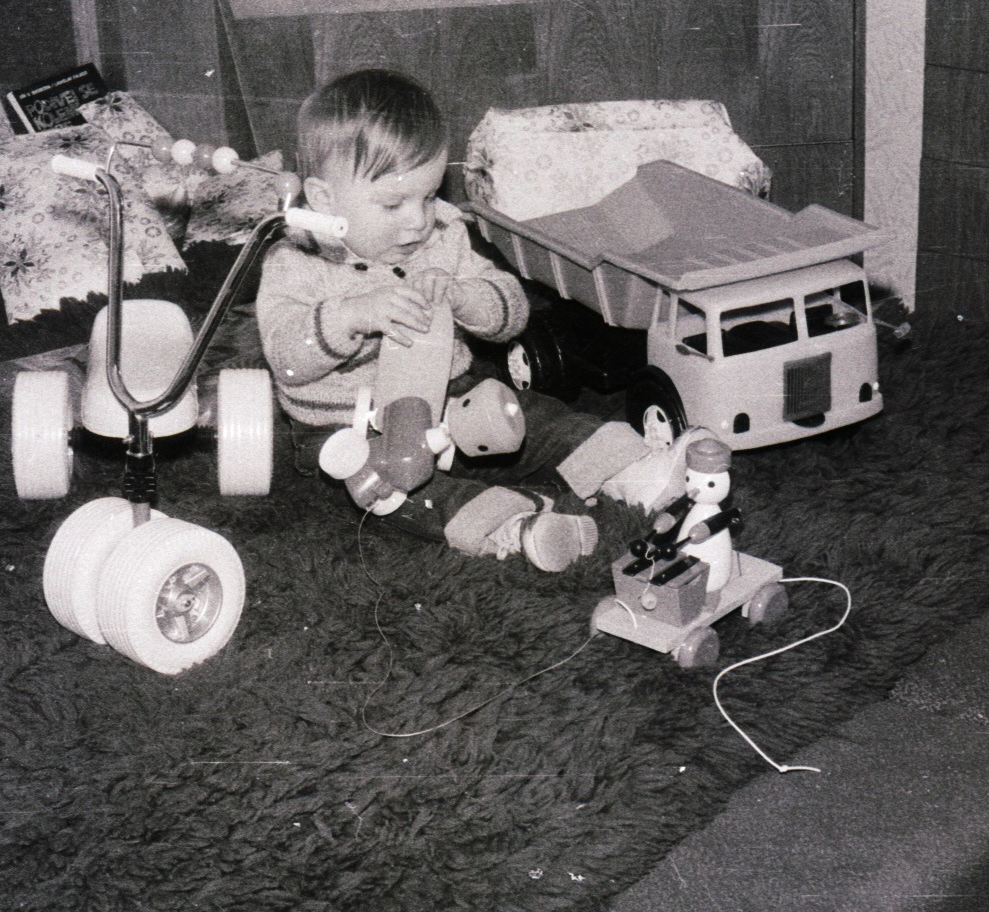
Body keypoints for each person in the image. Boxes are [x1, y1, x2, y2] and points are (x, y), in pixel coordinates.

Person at [255, 69, 698, 571]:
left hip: (451, 394)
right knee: (393, 494)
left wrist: (467, 298)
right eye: (393, 203)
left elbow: (512, 309)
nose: (417, 219)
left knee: (539, 418)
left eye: (427, 195)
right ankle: (510, 527)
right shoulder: (295, 263)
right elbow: (286, 358)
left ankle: (637, 470)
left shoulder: (441, 234)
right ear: (325, 199)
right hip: (350, 427)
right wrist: (352, 315)